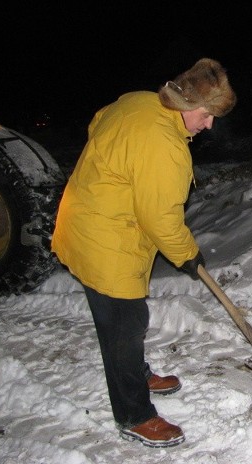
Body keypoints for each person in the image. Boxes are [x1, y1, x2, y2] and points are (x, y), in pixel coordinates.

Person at [51, 58, 236, 448]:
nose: (208, 125)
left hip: (86, 216)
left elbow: (97, 123)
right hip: (106, 240)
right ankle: (134, 414)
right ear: (186, 106)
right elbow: (161, 219)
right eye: (206, 115)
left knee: (125, 324)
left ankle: (134, 368)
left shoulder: (138, 101)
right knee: (125, 323)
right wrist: (189, 256)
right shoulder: (164, 146)